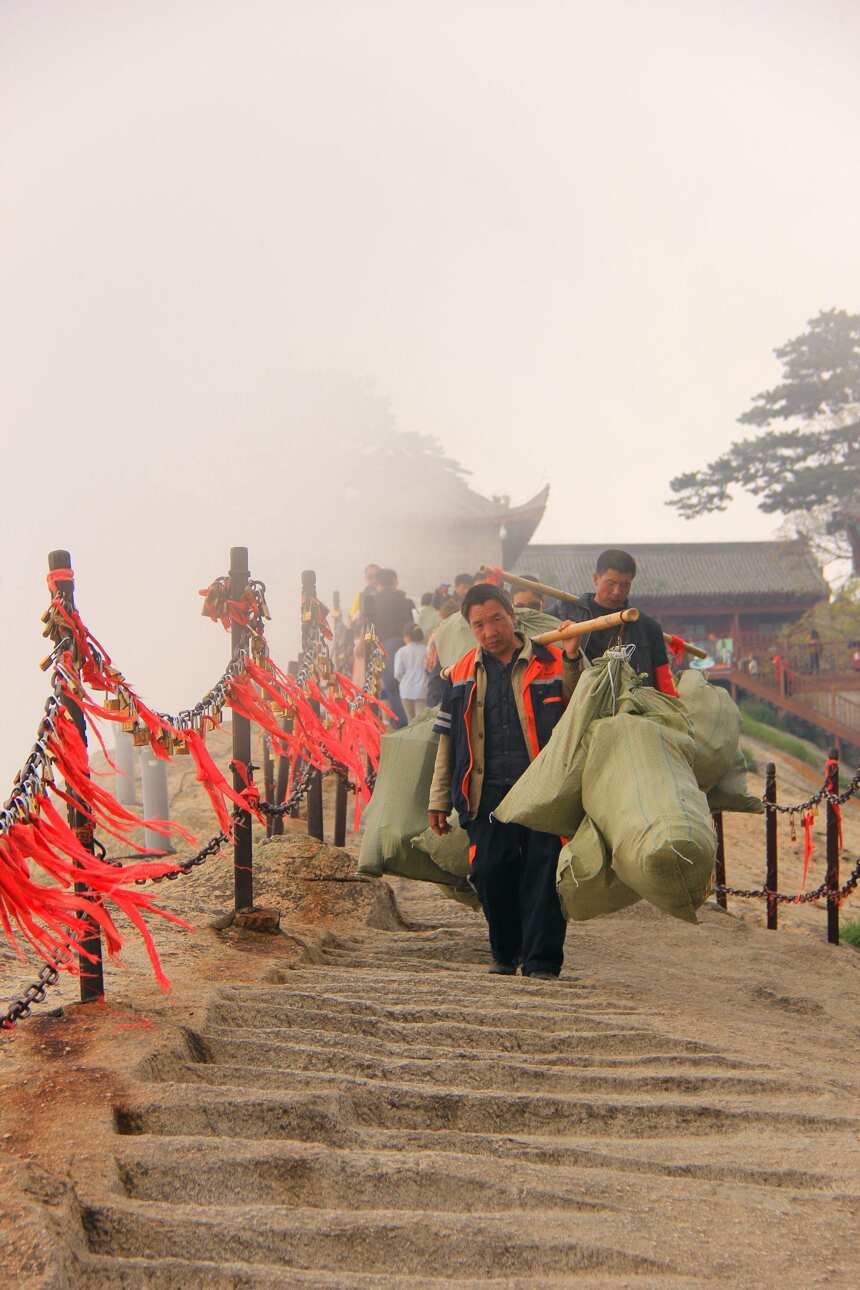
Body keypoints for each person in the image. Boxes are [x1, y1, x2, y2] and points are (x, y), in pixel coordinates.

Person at [428, 583, 582, 979]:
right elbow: (448, 742)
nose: (490, 630)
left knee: (543, 873)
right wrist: (438, 800)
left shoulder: (548, 660)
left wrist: (572, 656)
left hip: (541, 788)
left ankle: (541, 962)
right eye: (479, 624)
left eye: (497, 619)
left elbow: (579, 702)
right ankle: (504, 952)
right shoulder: (461, 672)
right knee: (490, 872)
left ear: (513, 616)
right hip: (485, 790)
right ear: (470, 628)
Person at [567, 549, 677, 695]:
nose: (617, 591)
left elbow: (664, 681)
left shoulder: (648, 627)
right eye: (610, 583)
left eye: (625, 585)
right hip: (583, 702)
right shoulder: (568, 617)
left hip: (635, 708)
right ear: (595, 579)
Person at [425, 597, 460, 707]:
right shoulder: (460, 627)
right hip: (454, 668)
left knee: (435, 696)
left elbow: (431, 654)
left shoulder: (441, 630)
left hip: (441, 668)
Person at [394, 625, 429, 720]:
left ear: (408, 637)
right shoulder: (426, 649)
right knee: (421, 722)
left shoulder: (401, 651)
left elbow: (397, 673)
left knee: (410, 721)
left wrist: (404, 680)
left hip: (406, 690)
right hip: (422, 689)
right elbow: (429, 668)